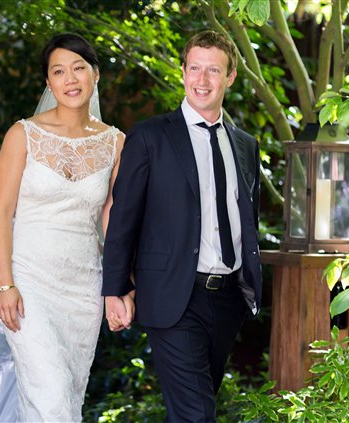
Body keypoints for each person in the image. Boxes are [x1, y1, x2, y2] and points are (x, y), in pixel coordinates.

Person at [102, 30, 262, 422]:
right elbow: (123, 219)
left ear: (231, 77)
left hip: (227, 298)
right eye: (194, 68)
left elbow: (247, 218)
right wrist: (115, 290)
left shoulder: (245, 145)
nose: (202, 80)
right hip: (174, 295)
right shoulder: (151, 136)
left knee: (192, 410)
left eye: (213, 70)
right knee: (196, 414)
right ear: (183, 71)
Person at [0, 33, 124, 422]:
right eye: (58, 71)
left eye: (78, 68)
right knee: (51, 399)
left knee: (67, 398)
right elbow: (1, 213)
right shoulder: (23, 135)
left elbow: (112, 220)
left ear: (95, 75)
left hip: (83, 290)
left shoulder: (116, 143)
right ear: (49, 83)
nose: (70, 79)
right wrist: (5, 284)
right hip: (29, 283)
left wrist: (118, 288)